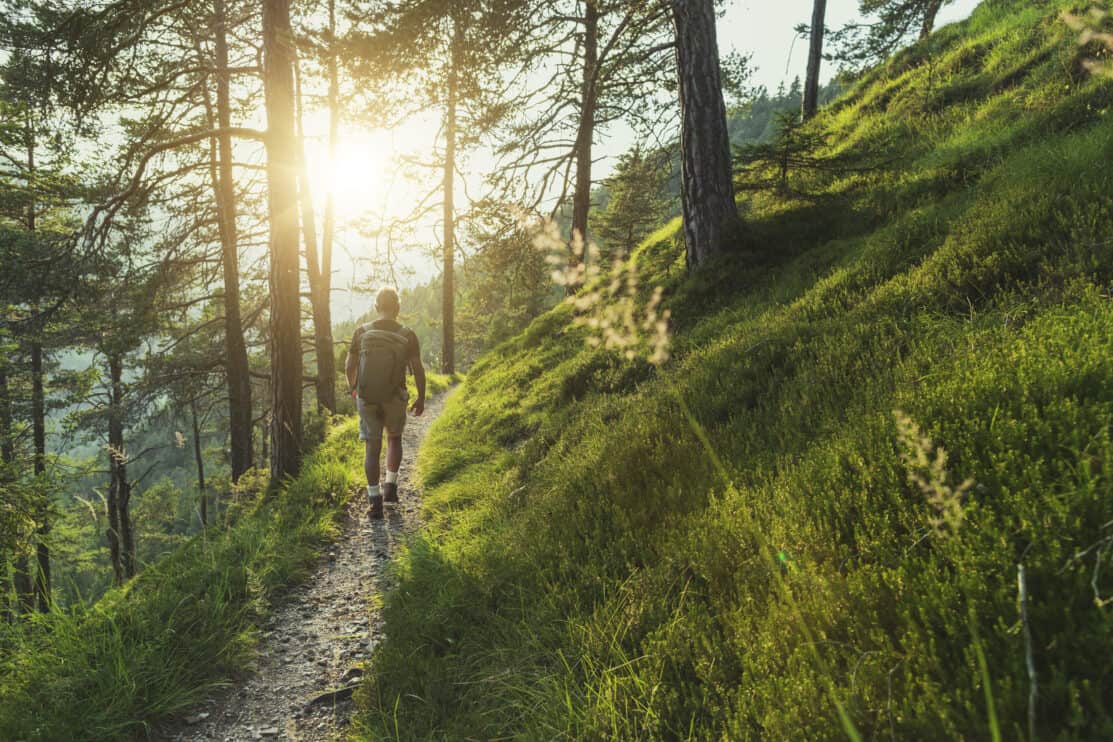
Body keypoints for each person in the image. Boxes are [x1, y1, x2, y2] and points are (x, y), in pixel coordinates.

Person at [345, 288, 426, 519]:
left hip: (367, 396)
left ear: (376, 307)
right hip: (394, 395)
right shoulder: (407, 334)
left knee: (372, 446)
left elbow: (349, 365)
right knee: (394, 438)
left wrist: (354, 388)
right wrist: (421, 396)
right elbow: (418, 368)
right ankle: (390, 487)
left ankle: (374, 501)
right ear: (397, 308)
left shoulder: (361, 332)